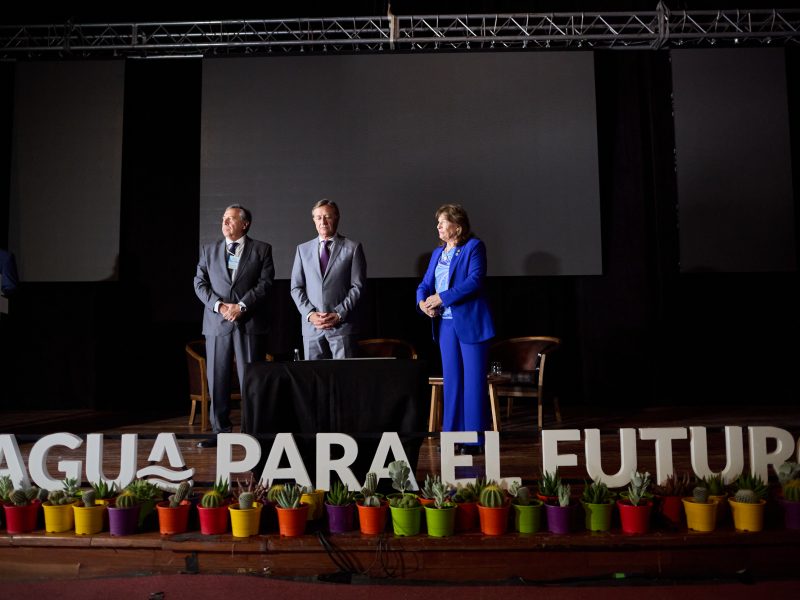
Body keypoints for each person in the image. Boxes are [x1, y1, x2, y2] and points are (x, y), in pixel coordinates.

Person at [194, 204, 274, 448]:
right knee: (217, 379)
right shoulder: (208, 250)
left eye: (231, 219)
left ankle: (252, 432)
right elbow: (199, 283)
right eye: (223, 218)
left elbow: (265, 283)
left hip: (248, 323)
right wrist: (219, 306)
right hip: (217, 323)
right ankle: (220, 432)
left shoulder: (262, 249)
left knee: (250, 381)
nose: (225, 222)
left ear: (245, 224)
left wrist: (241, 306)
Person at [416, 204, 495, 453]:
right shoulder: (437, 253)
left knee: (473, 382)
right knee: (452, 382)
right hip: (446, 325)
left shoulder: (474, 247)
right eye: (438, 222)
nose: (438, 226)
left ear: (458, 226)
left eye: (443, 222)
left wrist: (441, 298)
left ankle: (474, 440)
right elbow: (424, 284)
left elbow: (475, 280)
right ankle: (452, 437)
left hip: (471, 322)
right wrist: (423, 304)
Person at [290, 199, 367, 359]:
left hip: (342, 327)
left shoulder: (352, 248)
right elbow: (296, 287)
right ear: (314, 220)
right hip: (312, 328)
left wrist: (339, 314)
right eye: (318, 217)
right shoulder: (302, 250)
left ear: (336, 218)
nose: (323, 222)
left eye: (327, 217)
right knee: (313, 374)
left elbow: (358, 286)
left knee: (344, 374)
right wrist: (310, 314)